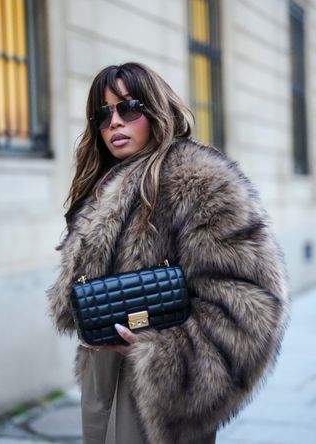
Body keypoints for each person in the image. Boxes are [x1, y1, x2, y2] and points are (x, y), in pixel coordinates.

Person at [48, 62, 289, 444]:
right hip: (103, 373)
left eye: (129, 108)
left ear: (156, 111)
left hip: (160, 387)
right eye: (102, 114)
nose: (114, 122)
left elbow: (251, 303)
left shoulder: (199, 183)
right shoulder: (104, 187)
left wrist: (157, 352)